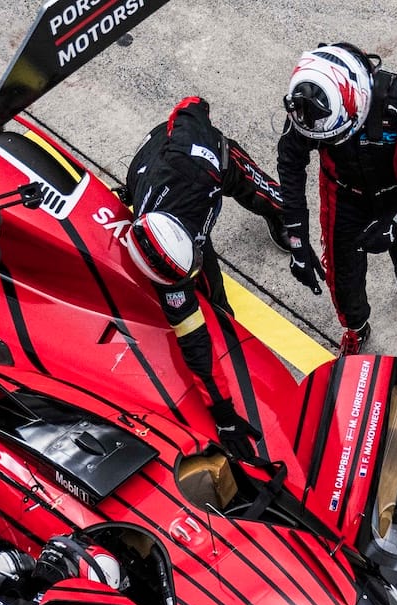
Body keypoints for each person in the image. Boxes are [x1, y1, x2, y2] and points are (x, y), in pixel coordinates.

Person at [120, 96, 284, 457]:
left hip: (209, 159)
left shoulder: (192, 165)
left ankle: (279, 218)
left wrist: (203, 115)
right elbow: (195, 349)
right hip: (146, 175)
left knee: (277, 202)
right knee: (215, 303)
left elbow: (192, 104)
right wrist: (224, 417)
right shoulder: (169, 277)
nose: (190, 277)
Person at [276, 43, 397, 355]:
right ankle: (355, 326)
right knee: (341, 271)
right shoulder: (308, 108)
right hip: (342, 194)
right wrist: (297, 240)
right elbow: (290, 164)